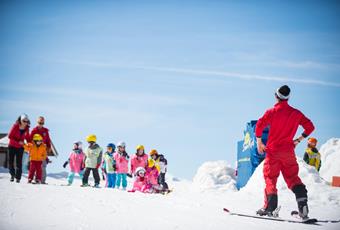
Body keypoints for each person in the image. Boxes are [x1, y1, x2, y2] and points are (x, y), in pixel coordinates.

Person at [255, 85, 315, 219]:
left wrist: (259, 142)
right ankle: (302, 206)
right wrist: (298, 140)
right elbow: (310, 126)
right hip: (288, 152)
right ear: (288, 98)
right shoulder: (296, 113)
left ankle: (270, 208)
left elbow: (259, 126)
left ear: (276, 96)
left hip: (273, 152)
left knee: (270, 178)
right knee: (293, 178)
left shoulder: (272, 112)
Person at [8, 114, 31, 183]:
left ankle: (18, 178)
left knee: (19, 163)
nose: (25, 123)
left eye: (27, 121)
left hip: (20, 148)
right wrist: (18, 142)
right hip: (12, 146)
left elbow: (28, 138)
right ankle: (12, 175)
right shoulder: (15, 126)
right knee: (11, 162)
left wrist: (30, 143)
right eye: (24, 121)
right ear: (20, 121)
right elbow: (10, 136)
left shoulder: (27, 128)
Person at [30, 116, 52, 184]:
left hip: (43, 151)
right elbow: (30, 140)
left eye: (42, 123)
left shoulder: (45, 131)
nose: (41, 124)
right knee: (35, 166)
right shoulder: (34, 130)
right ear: (37, 122)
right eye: (40, 123)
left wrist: (49, 147)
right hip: (36, 151)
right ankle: (33, 179)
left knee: (43, 166)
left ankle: (42, 180)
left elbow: (48, 140)